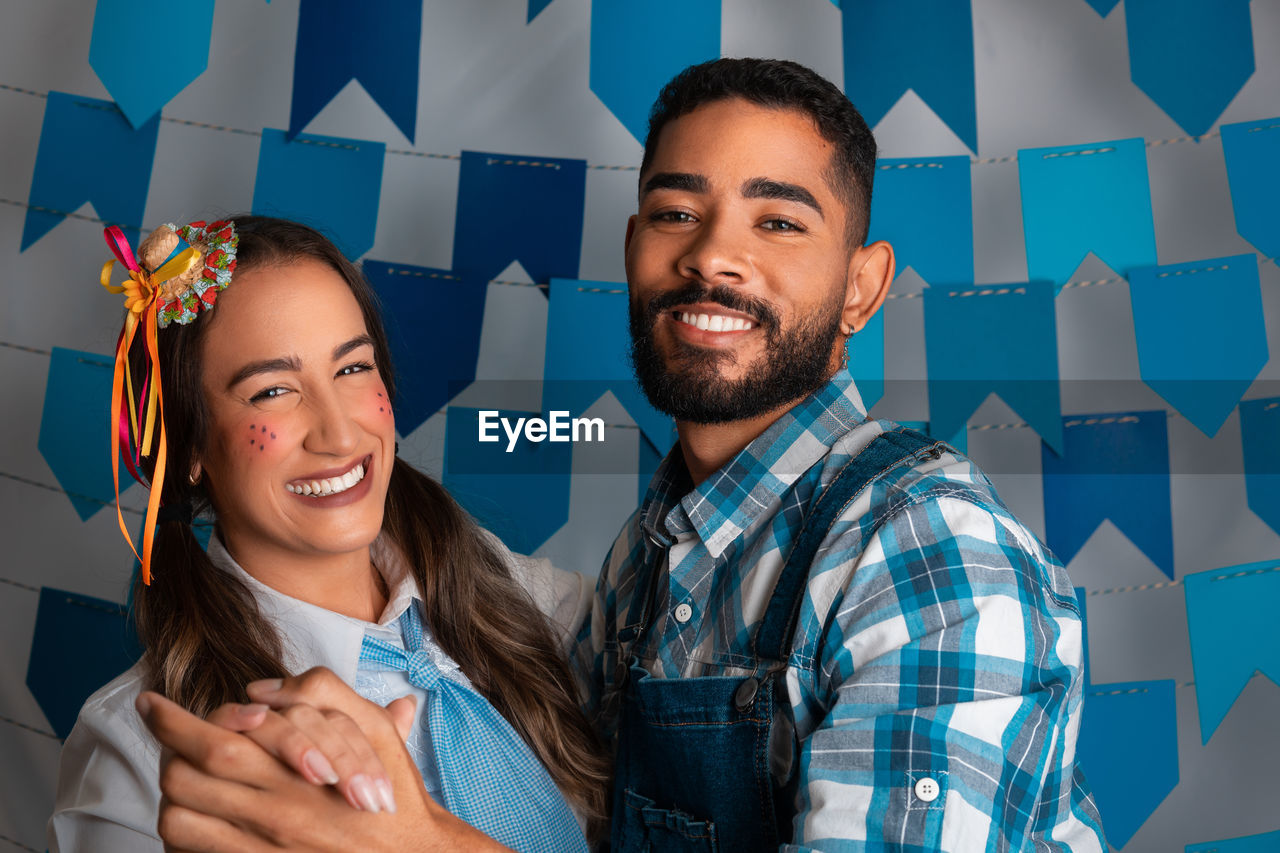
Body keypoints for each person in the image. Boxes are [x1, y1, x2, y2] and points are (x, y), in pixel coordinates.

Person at [142, 59, 1109, 851]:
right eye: (676, 212)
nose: (713, 256)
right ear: (632, 247)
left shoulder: (929, 551)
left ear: (862, 289)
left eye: (777, 221)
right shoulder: (647, 560)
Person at [48, 216, 608, 852]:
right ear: (191, 444)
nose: (340, 435)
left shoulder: (520, 602)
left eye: (352, 369)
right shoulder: (139, 761)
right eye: (273, 391)